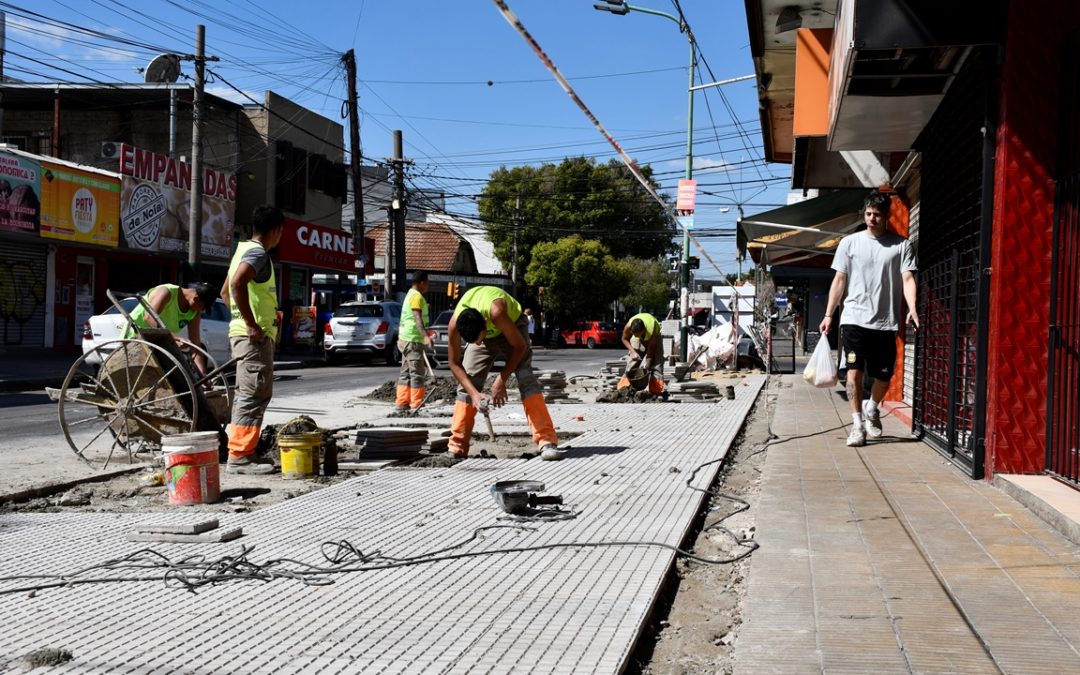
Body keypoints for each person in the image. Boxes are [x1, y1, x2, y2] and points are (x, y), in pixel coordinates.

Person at [820, 190, 918, 447]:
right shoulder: (849, 243)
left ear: (886, 216)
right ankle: (857, 426)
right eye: (868, 214)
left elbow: (908, 278)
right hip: (853, 318)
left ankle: (872, 408)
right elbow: (839, 280)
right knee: (853, 373)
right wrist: (829, 314)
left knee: (884, 375)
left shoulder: (901, 246)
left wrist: (913, 308)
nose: (872, 218)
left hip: (885, 322)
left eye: (877, 214)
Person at [446, 286, 561, 460]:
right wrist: (475, 394)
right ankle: (457, 446)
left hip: (512, 326)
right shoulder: (455, 325)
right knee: (467, 386)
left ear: (485, 324)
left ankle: (546, 440)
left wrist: (501, 380)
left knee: (525, 378)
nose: (477, 345)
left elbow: (520, 347)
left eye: (478, 339)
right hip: (486, 328)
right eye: (473, 342)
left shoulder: (496, 311)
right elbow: (454, 363)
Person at [220, 205, 285, 474]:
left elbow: (225, 292)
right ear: (275, 231)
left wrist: (240, 319)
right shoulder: (257, 254)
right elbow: (235, 286)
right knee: (253, 395)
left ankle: (243, 452)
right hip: (253, 339)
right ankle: (240, 457)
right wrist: (250, 324)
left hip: (247, 336)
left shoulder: (242, 251)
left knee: (250, 393)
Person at [124, 282, 218, 376]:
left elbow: (195, 344)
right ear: (196, 299)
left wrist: (203, 374)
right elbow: (149, 317)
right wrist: (174, 338)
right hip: (135, 337)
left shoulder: (194, 312)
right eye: (203, 307)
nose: (202, 311)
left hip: (157, 344)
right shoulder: (166, 292)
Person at [394, 270, 434, 413]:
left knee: (405, 372)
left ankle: (401, 403)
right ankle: (416, 404)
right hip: (412, 340)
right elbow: (417, 318)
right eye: (427, 283)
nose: (428, 286)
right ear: (422, 282)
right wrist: (425, 336)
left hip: (405, 339)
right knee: (417, 373)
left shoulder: (410, 295)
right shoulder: (416, 296)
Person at [619, 312, 665, 394]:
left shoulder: (652, 328)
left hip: (655, 337)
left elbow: (651, 349)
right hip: (641, 332)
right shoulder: (629, 326)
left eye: (638, 334)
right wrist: (632, 352)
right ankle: (624, 388)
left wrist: (648, 365)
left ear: (643, 330)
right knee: (633, 362)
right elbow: (624, 339)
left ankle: (655, 390)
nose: (636, 336)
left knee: (657, 363)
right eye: (634, 334)